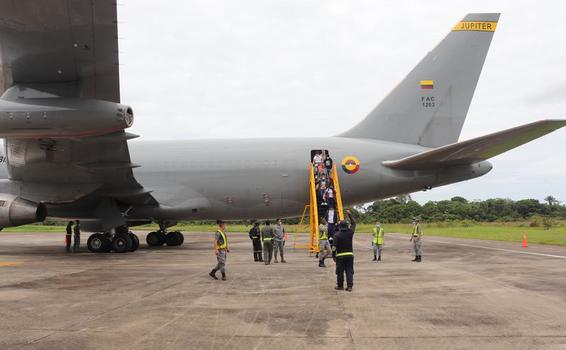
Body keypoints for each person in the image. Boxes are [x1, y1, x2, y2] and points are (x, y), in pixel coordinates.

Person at [332, 210, 356, 292]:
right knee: (349, 271)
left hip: (340, 256)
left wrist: (333, 255)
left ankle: (340, 286)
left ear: (340, 226)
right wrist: (350, 215)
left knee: (340, 272)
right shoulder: (350, 232)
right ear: (347, 226)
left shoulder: (337, 235)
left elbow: (334, 247)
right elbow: (354, 224)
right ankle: (349, 287)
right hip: (349, 255)